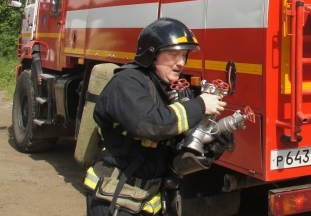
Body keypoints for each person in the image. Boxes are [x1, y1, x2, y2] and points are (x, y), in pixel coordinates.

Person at [84, 17, 227, 215]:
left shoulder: (170, 90)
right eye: (173, 55)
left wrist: (213, 143)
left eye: (184, 56)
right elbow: (151, 125)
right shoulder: (126, 83)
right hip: (114, 198)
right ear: (151, 55)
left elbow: (177, 151)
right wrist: (200, 105)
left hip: (149, 200)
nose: (180, 63)